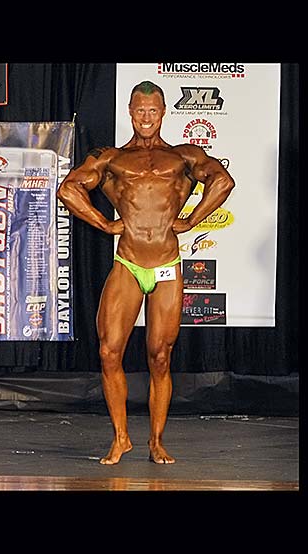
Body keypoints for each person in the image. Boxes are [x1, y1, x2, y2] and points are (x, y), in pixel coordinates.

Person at [57, 81, 235, 464]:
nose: (147, 117)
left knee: (160, 356)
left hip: (167, 264)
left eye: (153, 110)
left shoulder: (183, 156)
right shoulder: (112, 158)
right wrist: (104, 223)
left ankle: (156, 442)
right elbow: (69, 189)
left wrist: (192, 220)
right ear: (130, 112)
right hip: (128, 263)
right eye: (140, 110)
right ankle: (121, 438)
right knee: (108, 352)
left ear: (164, 112)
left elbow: (223, 181)